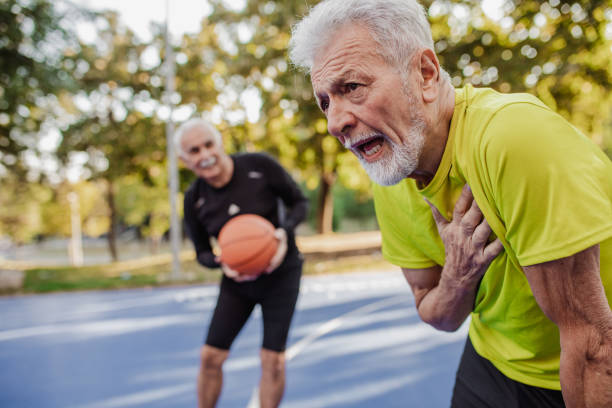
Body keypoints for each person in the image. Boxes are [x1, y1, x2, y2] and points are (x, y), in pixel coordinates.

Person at [289, 0, 612, 406]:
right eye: (325, 102)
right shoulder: (389, 172)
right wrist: (459, 277)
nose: (336, 122)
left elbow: (594, 342)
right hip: (493, 362)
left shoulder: (513, 140)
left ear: (425, 73)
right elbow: (437, 313)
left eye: (351, 88)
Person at [177, 118, 308, 408]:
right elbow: (201, 252)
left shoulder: (259, 165)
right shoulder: (194, 198)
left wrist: (282, 234)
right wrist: (220, 261)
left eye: (208, 144)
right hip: (238, 282)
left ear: (220, 143)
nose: (204, 154)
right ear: (184, 160)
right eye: (194, 150)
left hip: (281, 275)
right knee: (211, 356)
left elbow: (300, 202)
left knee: (272, 360)